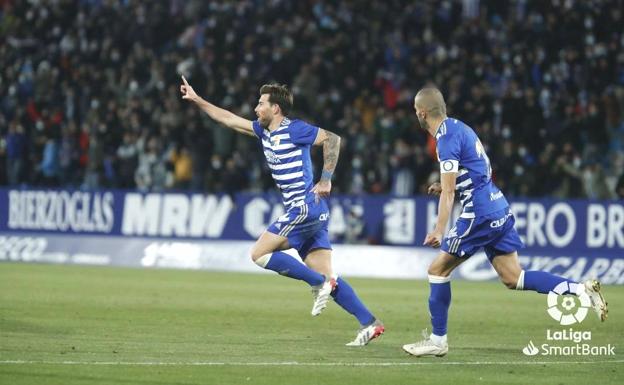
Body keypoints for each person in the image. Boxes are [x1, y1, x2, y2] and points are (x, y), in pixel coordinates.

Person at [402, 87, 608, 357]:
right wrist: (443, 185)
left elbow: (452, 191)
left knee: (437, 270)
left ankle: (437, 341)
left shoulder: (445, 138)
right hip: (498, 206)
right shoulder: (461, 128)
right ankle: (581, 290)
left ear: (421, 112)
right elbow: (478, 170)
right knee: (514, 277)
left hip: (480, 213)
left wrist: (440, 228)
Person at [180, 77, 384, 346]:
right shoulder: (264, 132)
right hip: (314, 213)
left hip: (304, 207)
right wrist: (197, 99)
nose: (255, 108)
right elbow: (228, 119)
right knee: (330, 278)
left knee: (259, 253)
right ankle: (370, 323)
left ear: (275, 108)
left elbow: (333, 139)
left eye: (261, 103)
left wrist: (326, 178)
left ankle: (317, 283)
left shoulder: (294, 129)